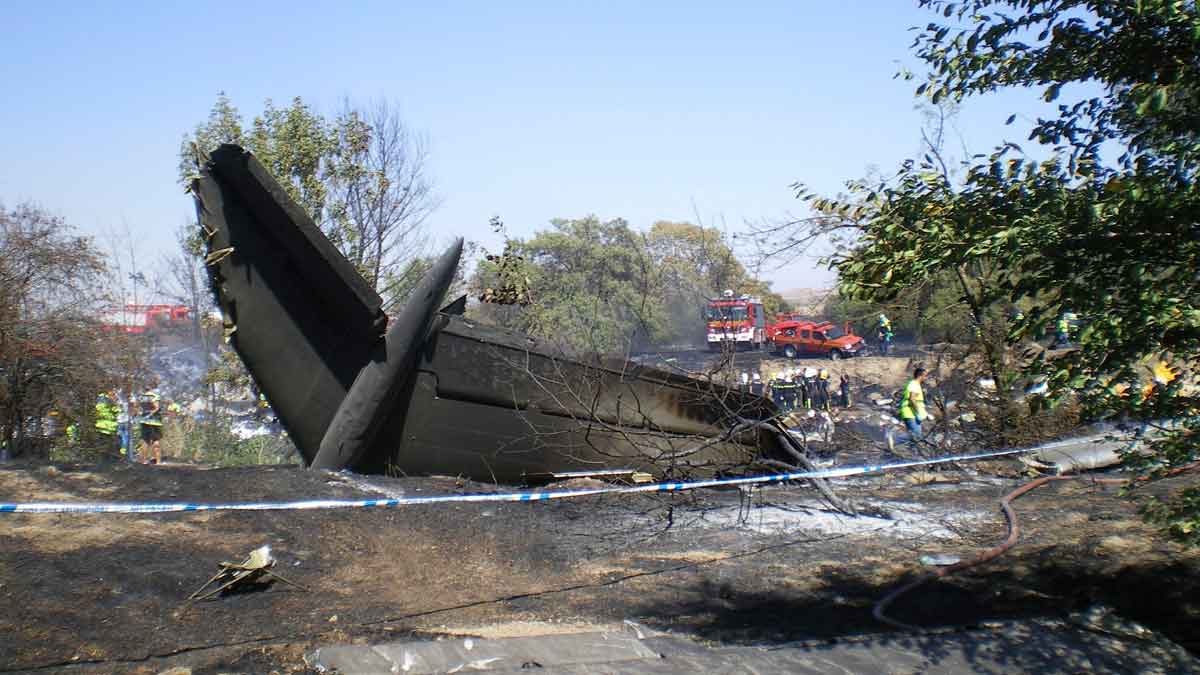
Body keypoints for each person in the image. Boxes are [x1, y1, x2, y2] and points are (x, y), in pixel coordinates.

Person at [898, 367, 931, 451]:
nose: (926, 378)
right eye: (925, 376)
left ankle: (911, 451)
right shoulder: (914, 384)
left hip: (912, 412)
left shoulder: (915, 385)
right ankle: (896, 443)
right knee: (916, 435)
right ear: (921, 376)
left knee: (915, 435)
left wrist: (924, 413)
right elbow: (912, 399)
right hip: (910, 413)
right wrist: (918, 412)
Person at [138, 388, 164, 464]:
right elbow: (156, 407)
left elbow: (139, 407)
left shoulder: (142, 397)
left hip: (144, 421)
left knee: (145, 440)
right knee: (156, 440)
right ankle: (158, 462)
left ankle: (143, 460)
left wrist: (144, 415)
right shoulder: (155, 396)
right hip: (155, 421)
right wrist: (150, 414)